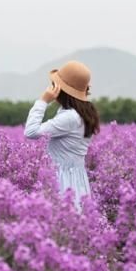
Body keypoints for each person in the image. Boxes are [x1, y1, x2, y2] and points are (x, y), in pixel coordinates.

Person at [23, 60, 100, 213]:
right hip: (76, 178)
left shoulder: (70, 117)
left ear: (61, 90)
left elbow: (30, 132)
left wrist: (43, 101)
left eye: (54, 84)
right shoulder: (82, 113)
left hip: (63, 181)